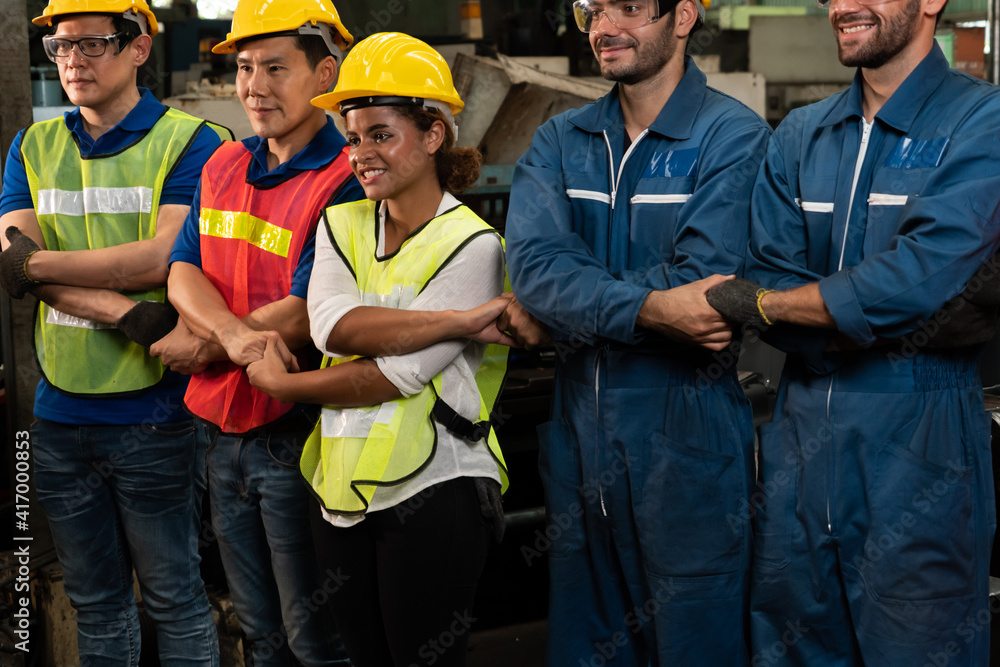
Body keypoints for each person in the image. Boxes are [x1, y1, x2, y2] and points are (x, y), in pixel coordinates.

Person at [703, 0, 1000, 660]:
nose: (841, 6)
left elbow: (924, 277)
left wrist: (774, 307)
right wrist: (880, 316)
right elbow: (764, 268)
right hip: (798, 447)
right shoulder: (801, 135)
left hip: (921, 442)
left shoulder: (983, 121)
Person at [501, 0, 771, 664]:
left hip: (688, 441)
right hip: (578, 439)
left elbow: (707, 283)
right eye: (591, 8)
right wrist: (653, 309)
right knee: (587, 644)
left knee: (696, 643)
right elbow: (534, 269)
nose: (603, 26)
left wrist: (579, 300)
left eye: (628, 7)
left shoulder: (732, 138)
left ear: (683, 16)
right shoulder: (560, 140)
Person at [245, 32, 514, 667]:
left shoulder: (475, 246)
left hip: (437, 488)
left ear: (432, 135)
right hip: (341, 489)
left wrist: (285, 388)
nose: (361, 154)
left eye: (380, 135)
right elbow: (330, 328)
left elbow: (396, 377)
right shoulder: (341, 223)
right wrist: (455, 320)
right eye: (353, 137)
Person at [0, 0, 230, 663]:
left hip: (155, 415)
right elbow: (14, 262)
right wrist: (127, 310)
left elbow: (159, 257)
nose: (73, 60)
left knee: (175, 598)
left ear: (138, 49)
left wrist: (31, 266)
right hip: (59, 415)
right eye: (62, 47)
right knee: (95, 603)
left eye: (94, 43)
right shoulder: (32, 145)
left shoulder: (191, 142)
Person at [147, 0, 362, 664]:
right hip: (220, 433)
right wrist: (234, 342)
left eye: (276, 67)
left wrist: (205, 344)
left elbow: (307, 308)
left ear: (324, 72)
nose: (254, 87)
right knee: (259, 630)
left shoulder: (346, 178)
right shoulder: (224, 163)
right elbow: (181, 269)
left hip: (295, 433)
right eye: (244, 67)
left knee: (316, 637)